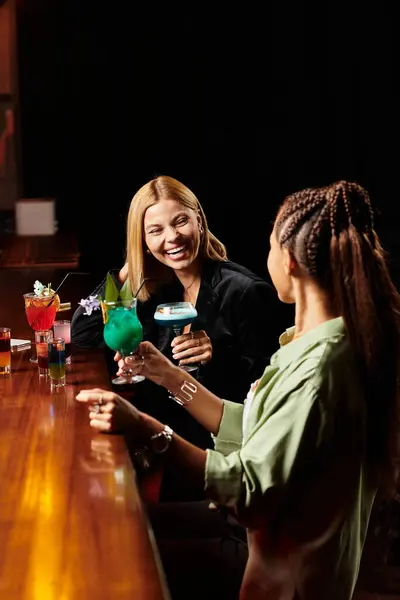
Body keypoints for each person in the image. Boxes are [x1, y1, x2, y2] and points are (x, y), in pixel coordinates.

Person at [76, 180, 400, 599]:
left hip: (284, 579)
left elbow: (248, 487)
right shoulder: (315, 346)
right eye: (153, 230)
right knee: (115, 527)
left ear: (289, 261)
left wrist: (146, 429)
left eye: (268, 246)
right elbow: (252, 424)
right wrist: (168, 374)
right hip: (268, 550)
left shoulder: (317, 366)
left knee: (109, 562)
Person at [71, 175, 286, 452]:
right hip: (160, 436)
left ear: (199, 219)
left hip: (217, 448)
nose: (172, 237)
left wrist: (217, 356)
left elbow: (274, 391)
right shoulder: (157, 291)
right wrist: (129, 270)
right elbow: (82, 333)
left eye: (180, 221)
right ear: (143, 241)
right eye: (155, 231)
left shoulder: (245, 291)